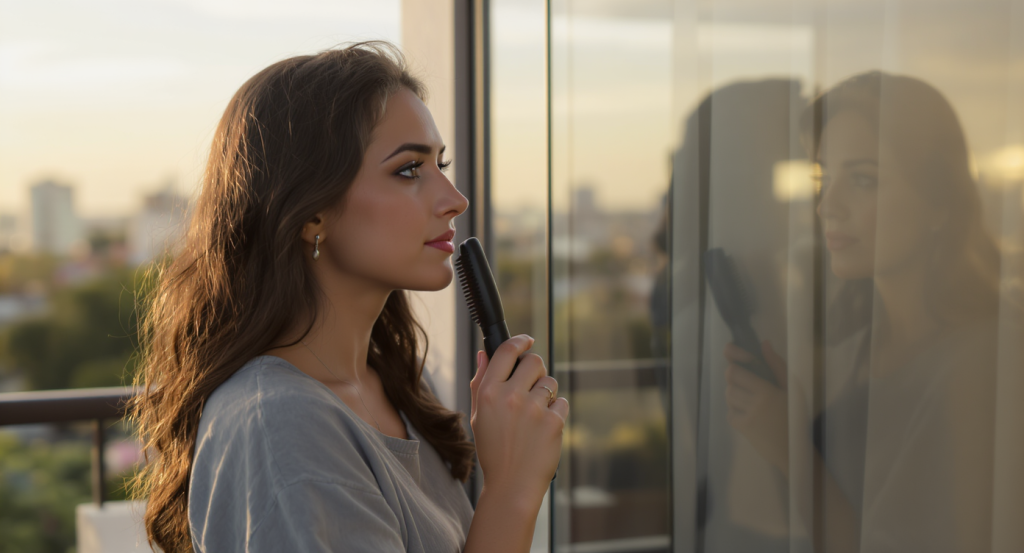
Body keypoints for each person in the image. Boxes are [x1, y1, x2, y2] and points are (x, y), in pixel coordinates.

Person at [128, 41, 568, 553]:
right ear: (311, 212)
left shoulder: (394, 384)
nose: (455, 200)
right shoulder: (280, 427)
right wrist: (512, 490)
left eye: (440, 165)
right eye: (409, 170)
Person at [722, 71, 1016, 552]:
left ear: (940, 204)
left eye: (864, 180)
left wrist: (791, 451)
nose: (828, 207)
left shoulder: (986, 363)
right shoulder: (857, 350)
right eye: (823, 179)